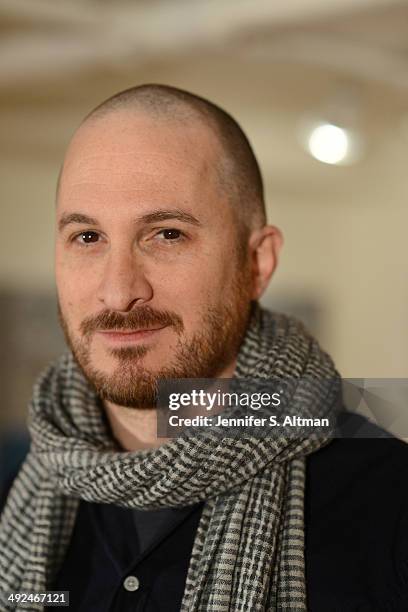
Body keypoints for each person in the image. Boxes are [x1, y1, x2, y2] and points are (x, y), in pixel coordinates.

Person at [0, 84, 407, 612]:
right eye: (87, 237)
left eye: (167, 235)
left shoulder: (388, 504)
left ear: (257, 263)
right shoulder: (12, 489)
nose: (120, 290)